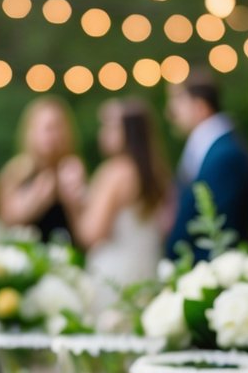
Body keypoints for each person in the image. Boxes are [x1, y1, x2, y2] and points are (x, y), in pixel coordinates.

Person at [58, 99, 168, 311]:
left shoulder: (115, 172)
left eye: (109, 127)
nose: (103, 133)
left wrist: (71, 202)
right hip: (147, 269)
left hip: (113, 278)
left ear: (128, 132)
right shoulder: (156, 172)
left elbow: (91, 235)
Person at [165, 69, 248, 259]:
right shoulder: (203, 148)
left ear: (200, 106)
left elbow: (222, 224)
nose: (170, 112)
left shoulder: (225, 155)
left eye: (178, 101)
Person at [0, 96, 81, 241]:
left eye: (58, 128)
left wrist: (73, 198)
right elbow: (5, 221)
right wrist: (37, 197)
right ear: (30, 132)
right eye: (47, 129)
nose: (53, 136)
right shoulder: (18, 171)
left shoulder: (72, 170)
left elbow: (84, 230)